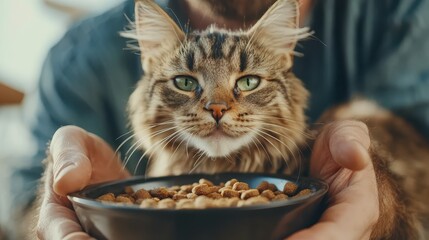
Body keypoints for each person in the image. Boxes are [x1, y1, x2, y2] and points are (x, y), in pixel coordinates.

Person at [7, 0, 429, 239]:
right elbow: (24, 213)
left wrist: (382, 204)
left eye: (246, 81)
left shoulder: (406, 17)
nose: (217, 107)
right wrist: (80, 210)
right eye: (187, 82)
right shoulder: (77, 60)